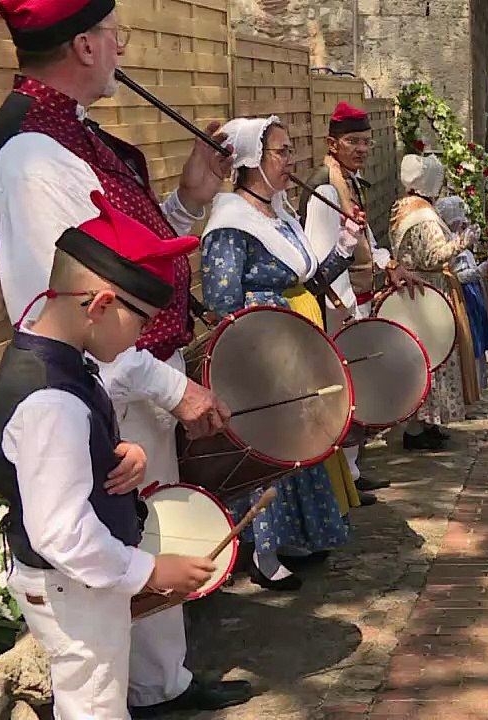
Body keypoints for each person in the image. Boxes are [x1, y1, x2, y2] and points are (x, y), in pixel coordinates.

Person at [0, 0, 249, 712]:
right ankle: (133, 694)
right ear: (85, 45)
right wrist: (170, 388)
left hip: (124, 383)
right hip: (105, 389)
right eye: (113, 34)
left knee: (139, 526)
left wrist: (187, 204)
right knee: (109, 583)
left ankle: (161, 685)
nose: (123, 46)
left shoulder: (65, 136)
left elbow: (121, 264)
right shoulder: (33, 157)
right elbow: (73, 304)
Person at [0, 191, 216, 720]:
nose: (144, 337)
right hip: (73, 589)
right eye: (142, 324)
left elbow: (52, 459)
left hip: (77, 586)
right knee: (94, 706)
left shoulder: (54, 358)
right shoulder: (52, 399)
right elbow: (62, 532)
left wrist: (117, 453)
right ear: (100, 306)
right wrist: (150, 570)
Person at [200, 116, 362, 591]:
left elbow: (306, 281)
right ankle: (260, 553)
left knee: (296, 444)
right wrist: (250, 350)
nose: (291, 160)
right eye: (282, 151)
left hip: (294, 342)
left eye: (290, 150)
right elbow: (220, 300)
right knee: (266, 446)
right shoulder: (231, 222)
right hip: (260, 348)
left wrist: (344, 249)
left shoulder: (281, 213)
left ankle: (291, 537)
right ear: (252, 160)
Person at [300, 100, 397, 503]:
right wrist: (345, 308)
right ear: (332, 144)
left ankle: (353, 470)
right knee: (343, 391)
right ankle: (345, 476)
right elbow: (325, 253)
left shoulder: (349, 181)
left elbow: (363, 239)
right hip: (338, 306)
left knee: (354, 388)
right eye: (353, 142)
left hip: (355, 297)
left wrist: (387, 263)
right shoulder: (325, 186)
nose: (361, 149)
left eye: (365, 142)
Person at [390, 155, 475, 450]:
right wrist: (463, 241)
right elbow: (432, 256)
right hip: (428, 290)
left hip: (418, 291)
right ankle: (417, 428)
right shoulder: (422, 216)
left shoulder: (404, 208)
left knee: (428, 356)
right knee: (432, 357)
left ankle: (427, 422)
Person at [437, 197, 488, 391]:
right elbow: (455, 275)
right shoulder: (448, 244)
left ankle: (478, 385)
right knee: (470, 341)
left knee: (478, 340)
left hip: (473, 295)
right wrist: (478, 272)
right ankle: (470, 386)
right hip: (462, 296)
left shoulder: (457, 240)